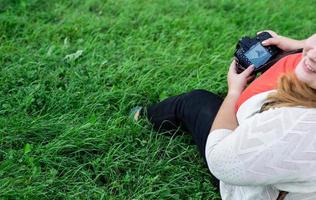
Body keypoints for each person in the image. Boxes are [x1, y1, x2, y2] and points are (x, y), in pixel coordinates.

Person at [130, 30, 316, 200]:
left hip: (249, 189)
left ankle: (141, 116)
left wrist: (234, 92)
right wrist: (296, 45)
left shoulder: (294, 124)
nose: (312, 54)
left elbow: (220, 160)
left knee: (195, 102)